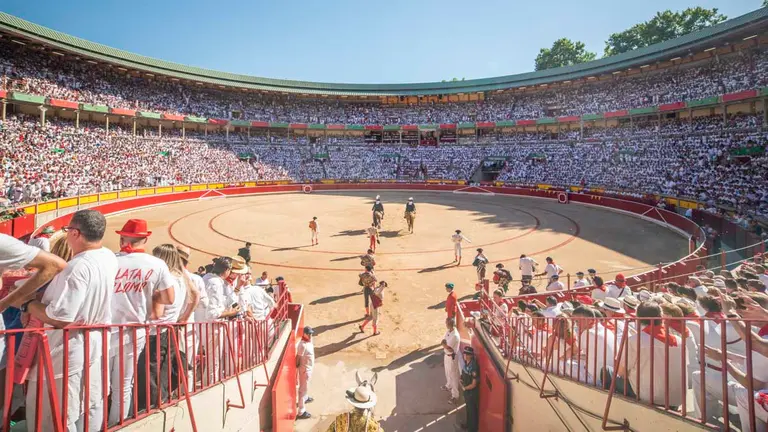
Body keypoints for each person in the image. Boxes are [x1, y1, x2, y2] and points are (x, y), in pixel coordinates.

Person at [20, 210, 118, 431]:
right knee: (89, 405)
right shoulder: (108, 257)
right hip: (94, 343)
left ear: (75, 233)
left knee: (55, 414)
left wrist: (28, 304)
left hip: (66, 350)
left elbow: (60, 317)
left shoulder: (77, 267)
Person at [109, 219, 176, 426]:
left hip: (103, 329)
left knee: (99, 386)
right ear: (145, 238)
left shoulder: (110, 260)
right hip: (134, 330)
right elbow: (170, 299)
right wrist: (152, 297)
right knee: (124, 384)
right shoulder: (156, 264)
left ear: (121, 238)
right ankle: (117, 424)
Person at [136, 244, 198, 413]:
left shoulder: (165, 280)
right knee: (162, 368)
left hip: (156, 331)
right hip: (170, 329)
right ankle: (161, 400)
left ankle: (148, 406)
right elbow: (195, 296)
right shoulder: (181, 278)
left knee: (149, 369)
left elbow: (157, 313)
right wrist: (182, 319)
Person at [296, 326, 315, 420]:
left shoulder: (309, 341)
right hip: (305, 370)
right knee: (302, 390)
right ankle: (301, 411)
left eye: (311, 333)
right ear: (304, 334)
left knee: (305, 388)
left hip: (308, 368)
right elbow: (298, 358)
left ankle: (306, 398)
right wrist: (298, 367)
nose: (310, 335)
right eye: (309, 334)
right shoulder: (302, 345)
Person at [441, 317, 461, 405]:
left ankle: (455, 396)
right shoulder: (449, 331)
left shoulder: (455, 335)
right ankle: (448, 386)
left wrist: (445, 345)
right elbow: (443, 342)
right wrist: (444, 345)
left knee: (454, 376)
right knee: (448, 372)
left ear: (450, 324)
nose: (445, 324)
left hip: (452, 357)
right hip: (447, 356)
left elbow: (448, 347)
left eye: (446, 323)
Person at [461, 346, 480, 432]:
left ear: (471, 356)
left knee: (472, 413)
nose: (465, 355)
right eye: (465, 353)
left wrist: (465, 388)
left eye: (467, 354)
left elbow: (474, 384)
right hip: (467, 392)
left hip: (471, 393)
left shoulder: (473, 367)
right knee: (468, 409)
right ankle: (468, 425)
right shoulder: (467, 363)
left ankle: (472, 429)